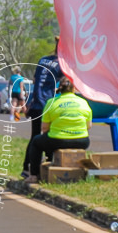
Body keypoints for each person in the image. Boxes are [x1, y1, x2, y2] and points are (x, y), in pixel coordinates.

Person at [24, 77, 92, 183]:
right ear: (74, 89)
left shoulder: (52, 102)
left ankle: (34, 175)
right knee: (48, 138)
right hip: (82, 140)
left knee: (36, 142)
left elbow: (44, 128)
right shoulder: (83, 103)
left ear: (59, 88)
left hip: (58, 140)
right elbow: (89, 126)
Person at [21, 37, 64, 177]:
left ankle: (27, 168)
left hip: (36, 103)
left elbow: (35, 80)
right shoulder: (62, 64)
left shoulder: (43, 60)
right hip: (48, 105)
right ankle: (47, 167)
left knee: (35, 137)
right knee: (50, 136)